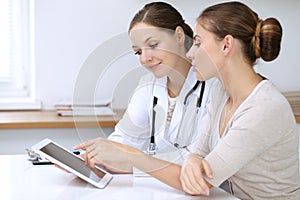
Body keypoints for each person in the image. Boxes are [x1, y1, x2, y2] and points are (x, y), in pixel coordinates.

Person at [75, 1, 300, 199]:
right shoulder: (223, 94)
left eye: (199, 43)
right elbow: (197, 156)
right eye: (138, 51)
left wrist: (131, 156)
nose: (191, 53)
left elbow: (200, 178)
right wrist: (191, 159)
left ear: (226, 45)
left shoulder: (262, 108)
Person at [83, 2, 210, 173]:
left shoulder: (212, 85)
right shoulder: (148, 86)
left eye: (152, 45)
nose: (144, 59)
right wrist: (94, 156)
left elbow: (196, 158)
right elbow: (124, 139)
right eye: (138, 51)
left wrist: (132, 162)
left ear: (179, 36)